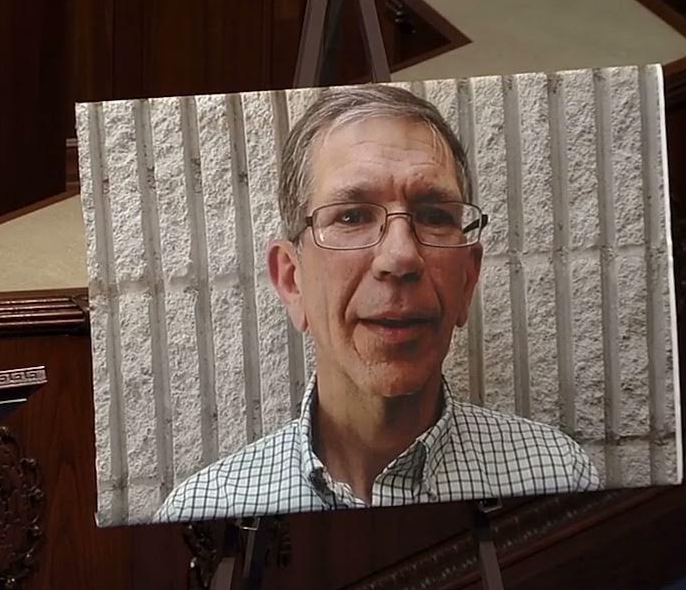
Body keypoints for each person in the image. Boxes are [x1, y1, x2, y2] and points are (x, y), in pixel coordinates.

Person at [156, 84, 599, 523]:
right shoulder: (205, 512)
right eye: (351, 216)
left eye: (433, 215)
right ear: (293, 281)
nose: (400, 257)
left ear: (467, 279)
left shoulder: (558, 473)